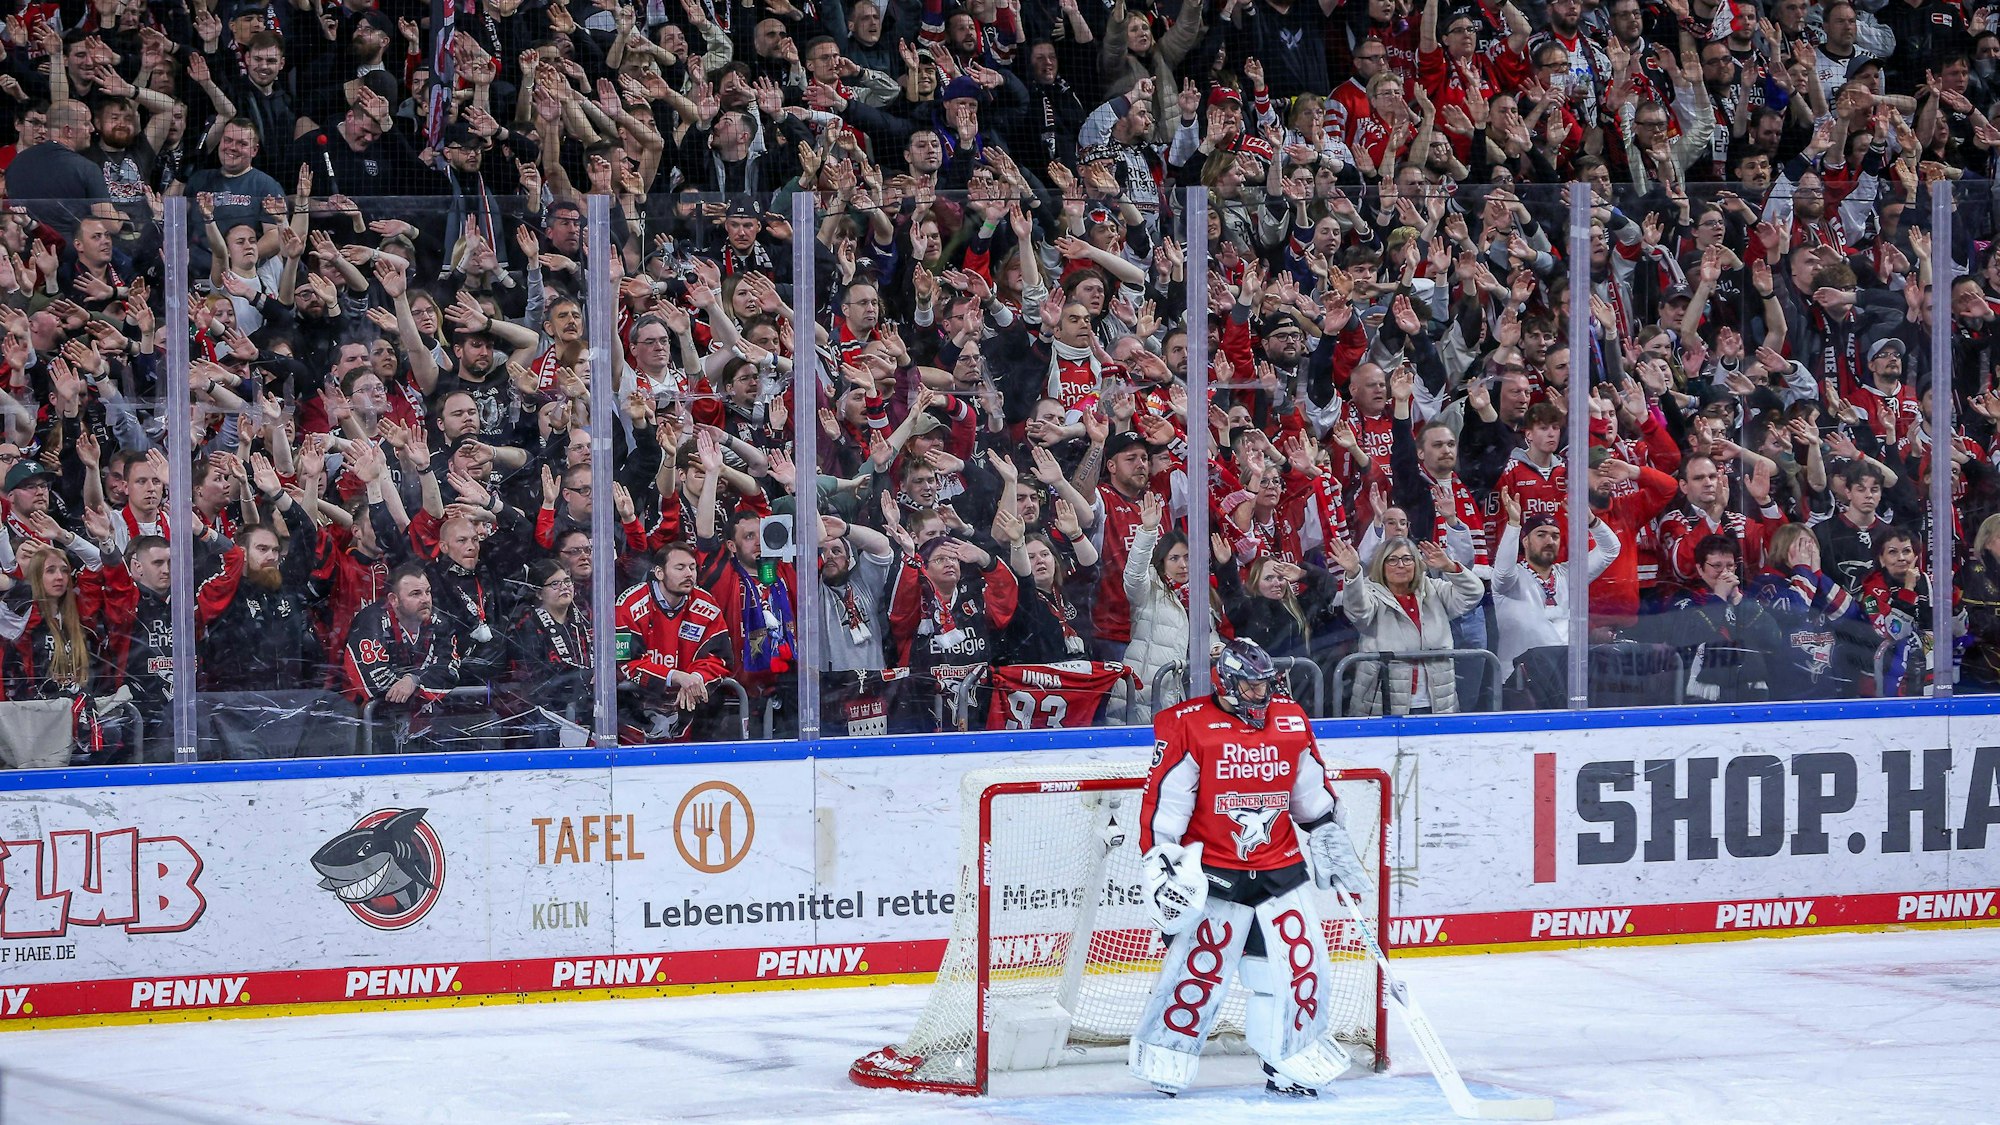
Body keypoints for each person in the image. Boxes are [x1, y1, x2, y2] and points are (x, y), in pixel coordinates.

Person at [1130, 638, 1373, 1099]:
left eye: (1266, 685)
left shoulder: (1289, 721)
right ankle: (1168, 1056)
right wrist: (1163, 868)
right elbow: (1165, 807)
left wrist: (1329, 839)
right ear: (1226, 681)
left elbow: (1310, 794)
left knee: (1299, 970)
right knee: (1198, 973)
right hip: (1215, 876)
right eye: (1252, 686)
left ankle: (1286, 1060)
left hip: (1280, 869)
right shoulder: (1189, 726)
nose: (1263, 695)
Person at [1328, 534, 1484, 716]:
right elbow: (1358, 611)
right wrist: (1354, 573)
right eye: (1392, 560)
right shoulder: (1370, 591)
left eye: (1407, 559)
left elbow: (1473, 593)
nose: (1401, 565)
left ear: (1416, 563)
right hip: (1383, 702)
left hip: (1437, 702)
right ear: (1381, 565)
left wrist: (1450, 567)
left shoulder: (1433, 588)